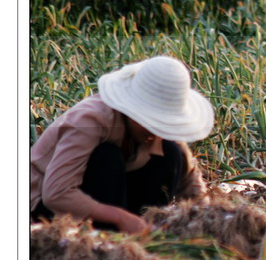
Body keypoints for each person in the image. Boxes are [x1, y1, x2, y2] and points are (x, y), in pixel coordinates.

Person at [30, 56, 214, 234]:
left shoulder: (157, 131)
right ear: (131, 108)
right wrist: (120, 217)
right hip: (44, 207)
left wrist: (209, 222)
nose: (156, 131)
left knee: (170, 153)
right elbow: (56, 194)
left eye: (162, 123)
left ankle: (143, 235)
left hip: (111, 199)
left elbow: (192, 185)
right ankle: (111, 242)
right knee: (107, 156)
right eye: (151, 121)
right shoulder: (89, 120)